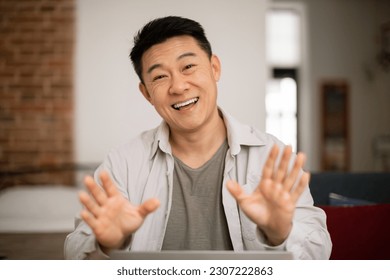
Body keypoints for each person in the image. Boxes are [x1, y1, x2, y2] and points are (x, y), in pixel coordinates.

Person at [64, 16, 332, 260]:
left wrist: (279, 234)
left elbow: (318, 254)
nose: (178, 86)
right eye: (159, 77)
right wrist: (109, 245)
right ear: (146, 93)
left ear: (214, 68)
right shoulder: (122, 164)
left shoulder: (270, 156)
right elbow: (76, 252)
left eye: (188, 66)